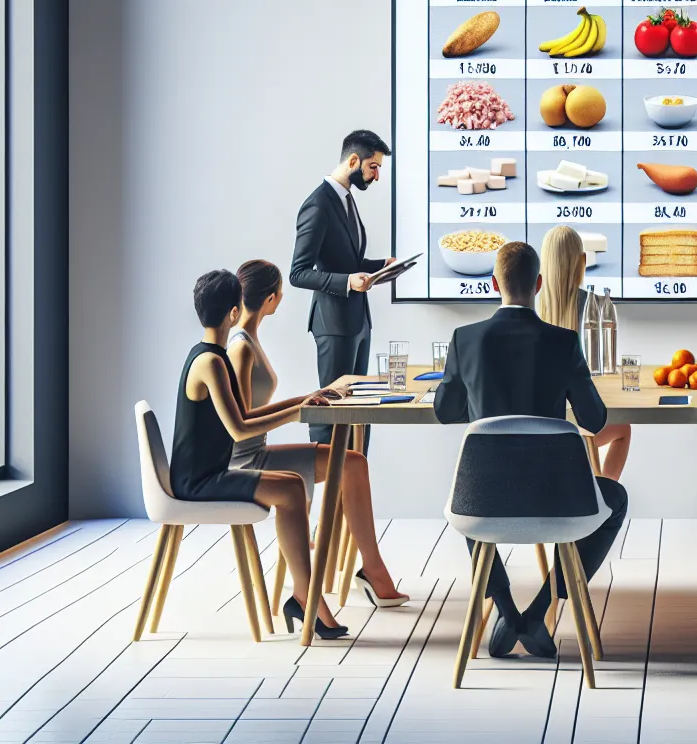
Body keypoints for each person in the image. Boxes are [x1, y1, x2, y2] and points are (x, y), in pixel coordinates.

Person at [434, 240, 630, 662]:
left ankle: (508, 612)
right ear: (538, 284)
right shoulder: (563, 342)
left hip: (485, 499)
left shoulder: (465, 339)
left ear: (492, 284)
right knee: (613, 499)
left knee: (467, 496)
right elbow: (594, 420)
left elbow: (445, 410)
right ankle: (539, 611)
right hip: (556, 499)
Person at [171, 270, 345, 639]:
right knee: (292, 489)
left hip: (208, 472)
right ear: (234, 313)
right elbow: (240, 429)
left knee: (293, 487)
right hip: (201, 480)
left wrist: (300, 401)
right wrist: (298, 413)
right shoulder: (213, 362)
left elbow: (246, 415)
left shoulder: (208, 355)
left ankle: (305, 595)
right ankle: (305, 596)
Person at [226, 259, 407, 607]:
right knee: (352, 464)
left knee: (353, 463)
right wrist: (299, 410)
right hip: (246, 460)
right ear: (271, 299)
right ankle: (365, 573)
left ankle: (372, 568)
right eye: (280, 292)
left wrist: (307, 398)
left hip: (256, 451)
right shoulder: (241, 348)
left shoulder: (248, 338)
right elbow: (241, 420)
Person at [291, 130, 395, 445]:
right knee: (332, 413)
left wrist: (382, 267)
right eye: (373, 167)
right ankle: (327, 489)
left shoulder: (346, 199)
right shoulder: (318, 204)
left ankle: (353, 487)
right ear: (353, 160)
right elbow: (298, 273)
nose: (376, 176)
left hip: (358, 323)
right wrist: (348, 282)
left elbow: (348, 259)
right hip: (334, 325)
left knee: (359, 412)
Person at [536, 225, 631, 480]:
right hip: (579, 426)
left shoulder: (528, 308)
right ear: (582, 263)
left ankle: (597, 497)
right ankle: (604, 493)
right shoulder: (598, 308)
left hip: (535, 433)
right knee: (620, 428)